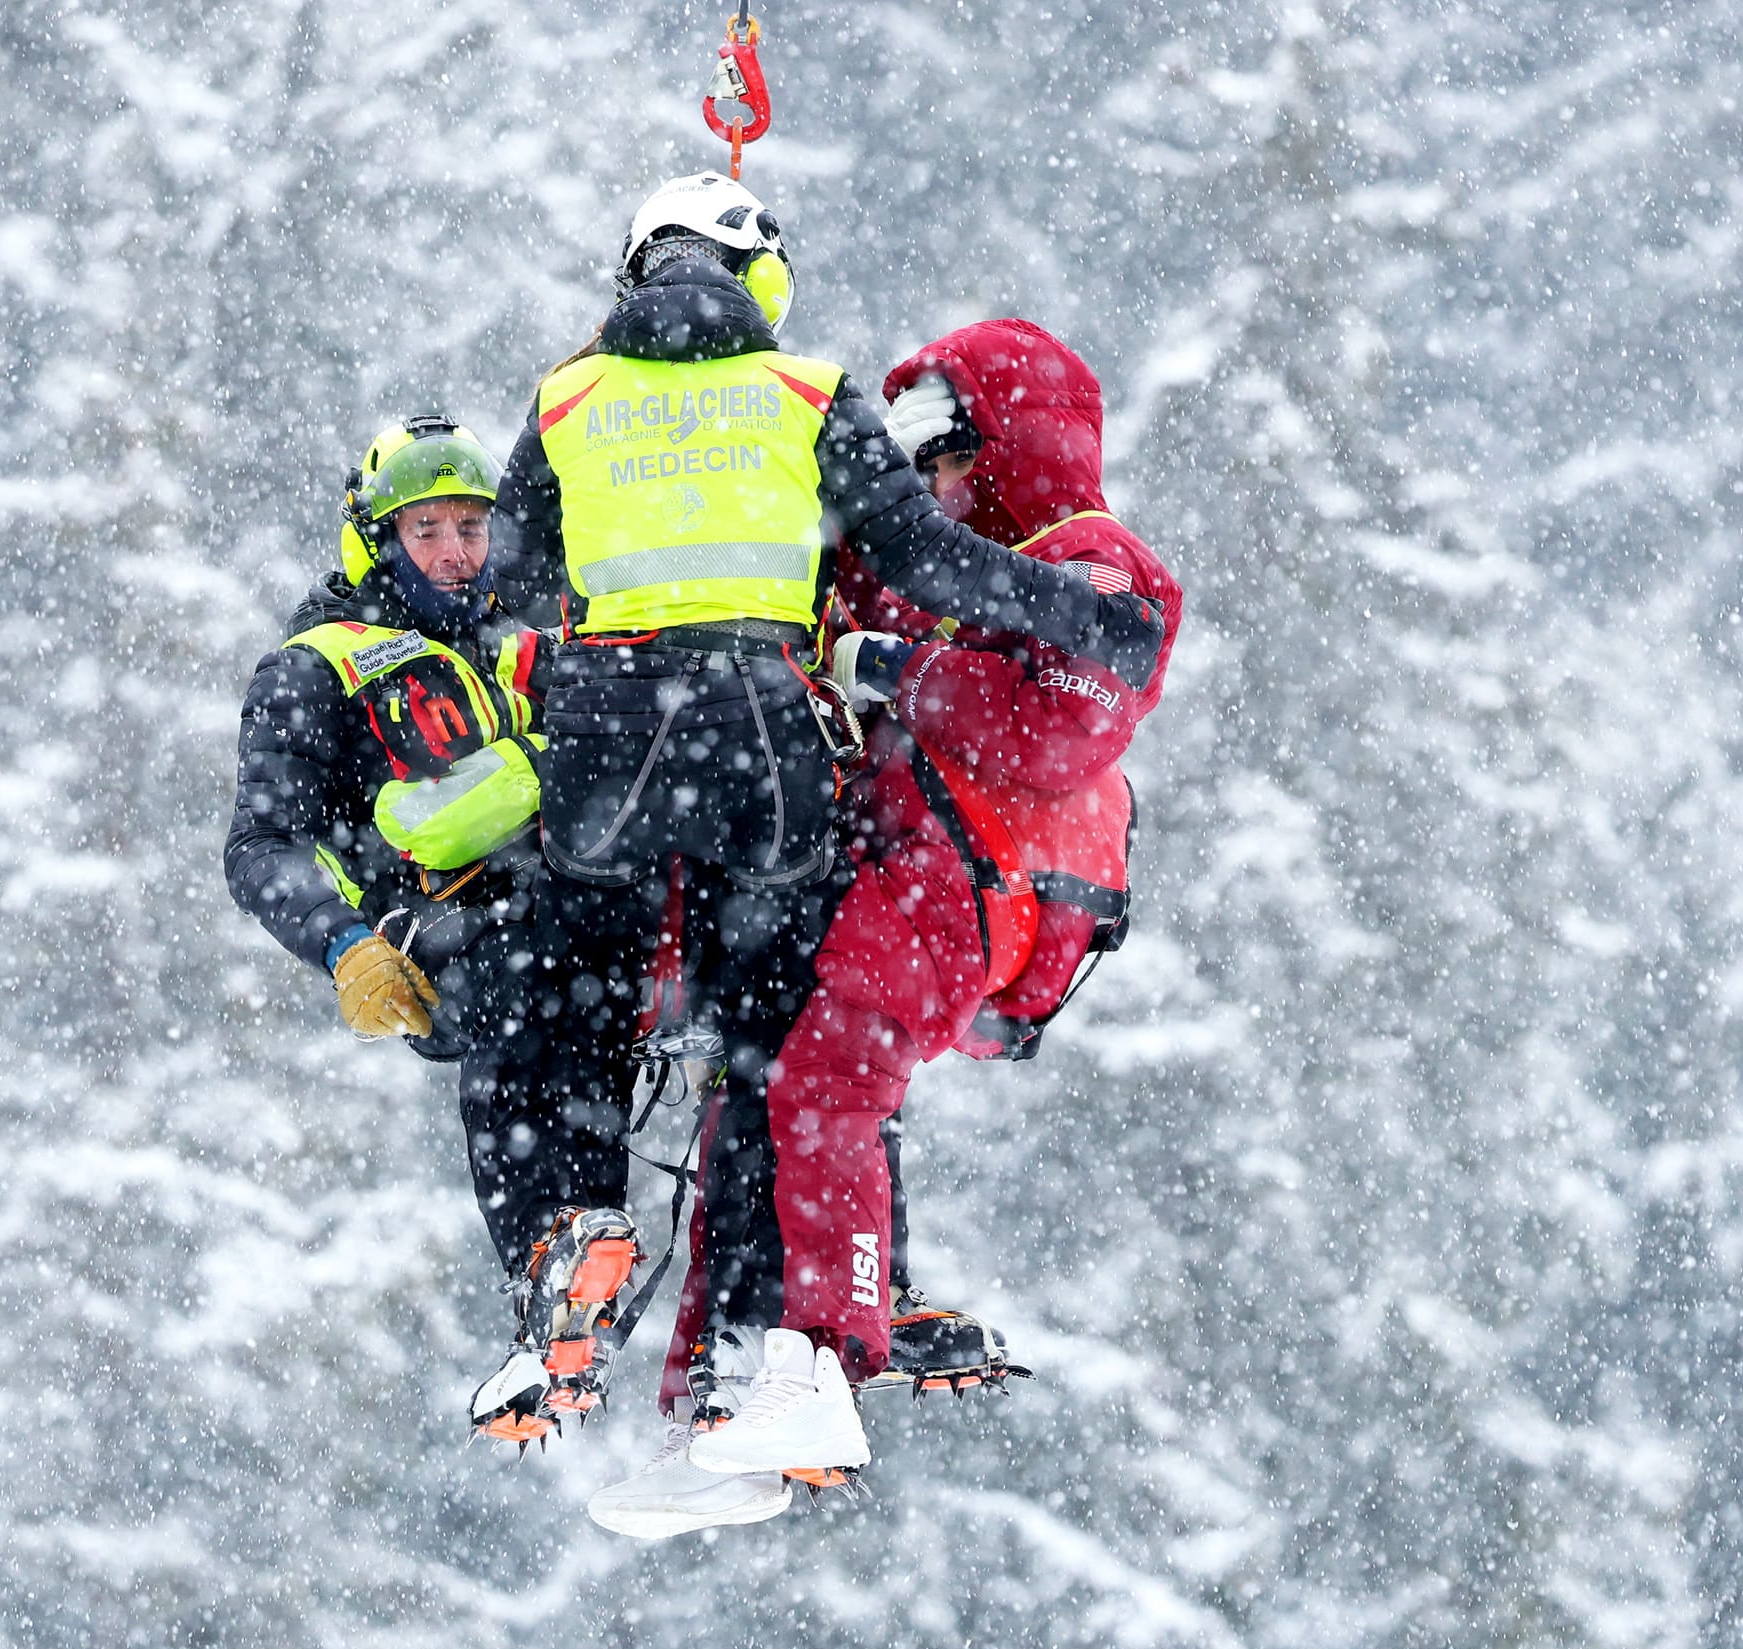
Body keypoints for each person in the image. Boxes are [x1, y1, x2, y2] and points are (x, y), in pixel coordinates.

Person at [485, 170, 1168, 1510]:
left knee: (580, 985)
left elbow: (515, 568)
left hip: (620, 750)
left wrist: (631, 599)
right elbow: (921, 553)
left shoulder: (569, 396)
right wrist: (1038, 613)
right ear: (761, 274)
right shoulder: (803, 393)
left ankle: (598, 1249)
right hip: (767, 751)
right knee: (778, 1049)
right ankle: (771, 1357)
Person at [223, 416, 644, 1447]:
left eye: (471, 526)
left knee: (607, 1021)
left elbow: (555, 459)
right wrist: (342, 942)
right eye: (429, 530)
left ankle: (587, 1283)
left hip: (590, 909)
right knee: (524, 1007)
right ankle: (543, 1264)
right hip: (452, 920)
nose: (458, 551)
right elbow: (261, 844)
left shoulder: (529, 629)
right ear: (376, 539)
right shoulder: (318, 668)